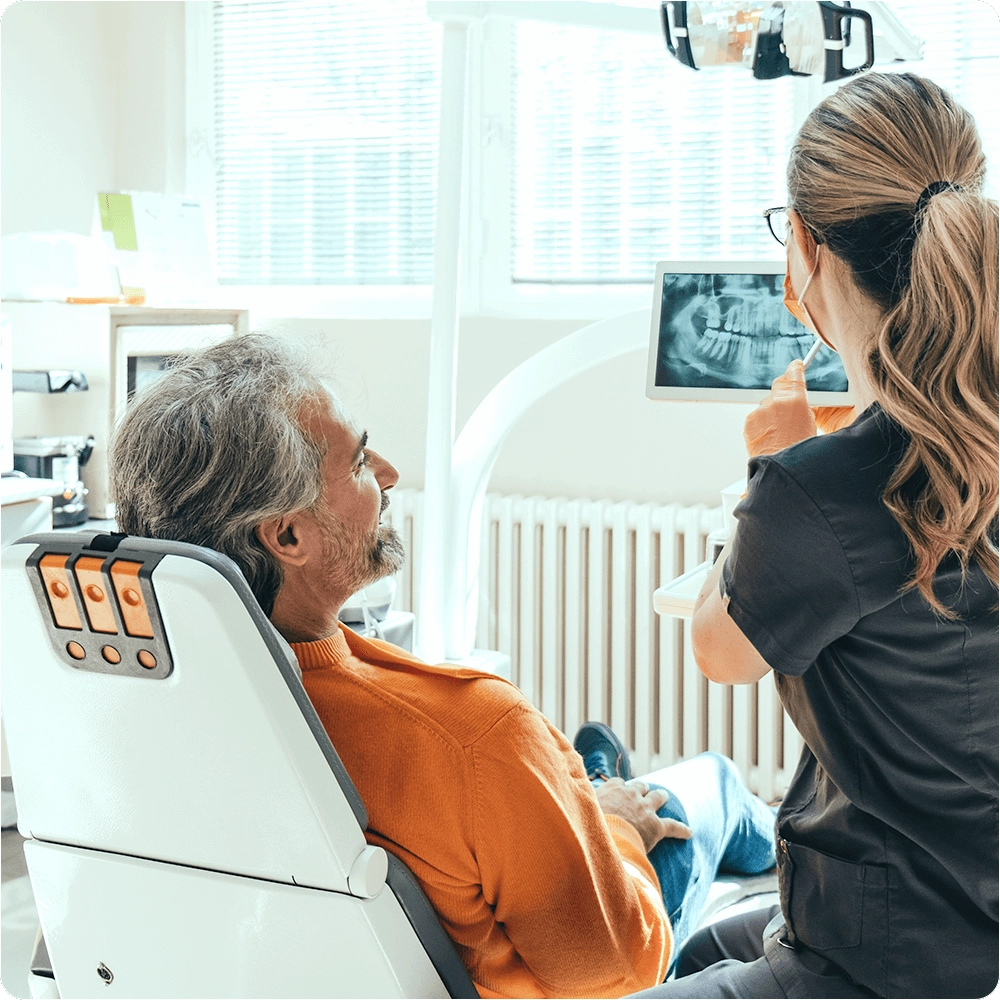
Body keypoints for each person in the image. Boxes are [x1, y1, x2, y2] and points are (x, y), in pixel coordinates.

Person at [109, 332, 777, 1000]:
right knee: (710, 787)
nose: (390, 474)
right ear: (287, 536)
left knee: (590, 776)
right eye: (360, 461)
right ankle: (712, 826)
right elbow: (615, 973)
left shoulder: (138, 718)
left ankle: (591, 782)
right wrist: (623, 832)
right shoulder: (475, 733)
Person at [633, 72, 998, 999]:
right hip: (974, 913)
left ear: (805, 246)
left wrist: (774, 466)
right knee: (706, 945)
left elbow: (719, 651)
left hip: (888, 953)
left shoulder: (821, 487)